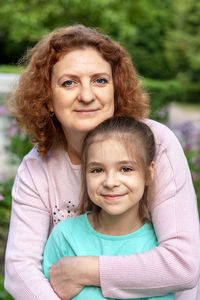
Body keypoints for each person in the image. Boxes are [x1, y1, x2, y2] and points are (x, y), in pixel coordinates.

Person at [4, 25, 199, 300]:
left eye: (99, 80)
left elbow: (183, 266)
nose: (86, 95)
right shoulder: (37, 168)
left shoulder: (157, 143)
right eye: (69, 82)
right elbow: (19, 271)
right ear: (47, 99)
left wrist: (85, 270)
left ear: (115, 89)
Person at [42, 116, 174, 300]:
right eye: (97, 170)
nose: (110, 182)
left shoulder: (159, 248)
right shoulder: (64, 237)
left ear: (149, 174)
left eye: (126, 169)